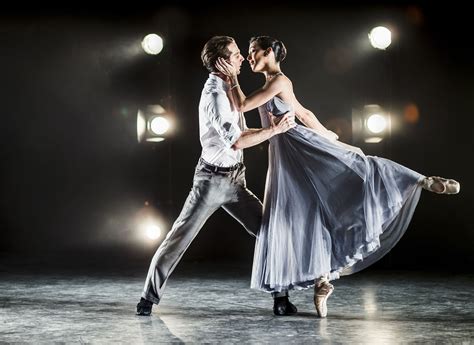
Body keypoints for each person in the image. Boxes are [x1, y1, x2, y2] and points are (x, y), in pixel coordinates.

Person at [215, 35, 460, 318]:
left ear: (269, 52)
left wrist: (231, 77)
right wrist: (326, 132)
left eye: (253, 51)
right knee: (306, 213)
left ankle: (420, 180)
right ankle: (322, 280)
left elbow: (243, 105)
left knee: (358, 167)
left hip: (299, 149)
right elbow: (303, 112)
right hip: (285, 157)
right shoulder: (274, 85)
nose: (249, 57)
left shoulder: (279, 81)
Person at [136, 36, 297, 317]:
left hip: (236, 181)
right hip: (211, 181)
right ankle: (147, 298)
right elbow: (236, 141)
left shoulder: (229, 84)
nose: (242, 58)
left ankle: (281, 299)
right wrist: (274, 130)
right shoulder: (214, 94)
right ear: (221, 62)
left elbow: (245, 108)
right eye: (235, 54)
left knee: (270, 232)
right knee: (179, 238)